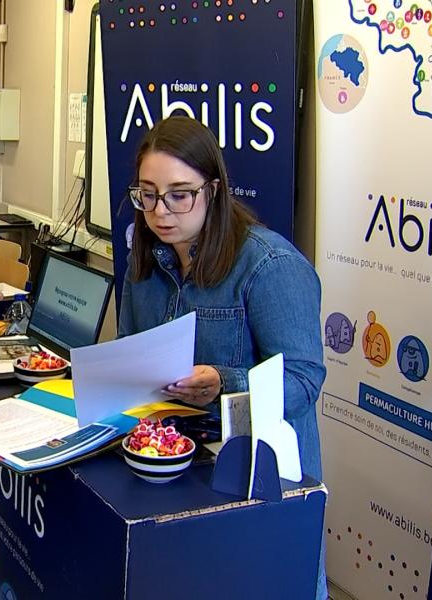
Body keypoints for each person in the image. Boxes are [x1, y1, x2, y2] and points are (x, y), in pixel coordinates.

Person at [117, 116, 327, 599]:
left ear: (213, 190)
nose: (160, 211)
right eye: (147, 194)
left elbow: (302, 379)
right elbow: (131, 343)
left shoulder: (270, 266)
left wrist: (224, 382)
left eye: (179, 194)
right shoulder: (148, 254)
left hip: (258, 478)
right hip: (171, 467)